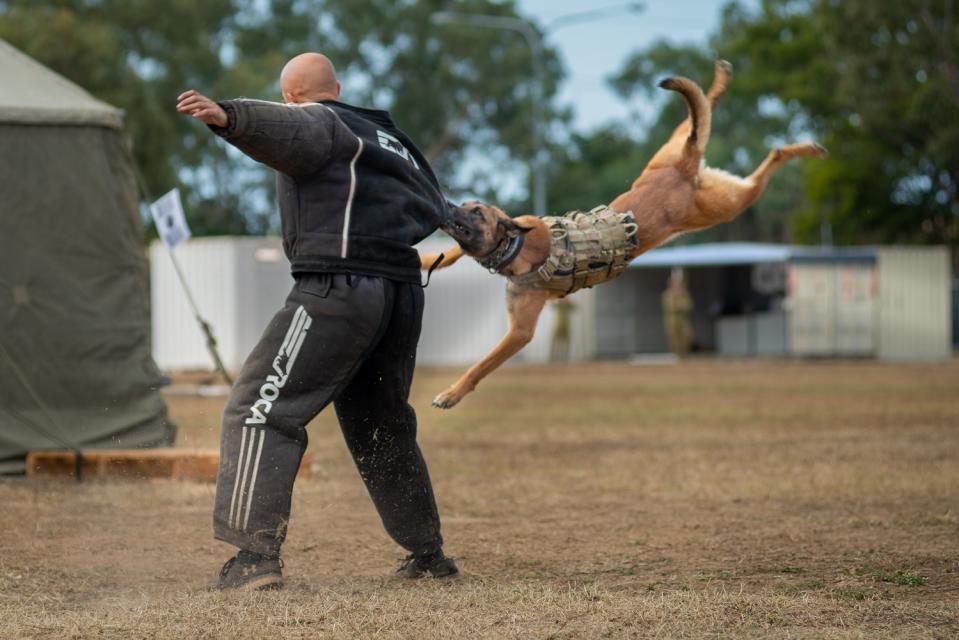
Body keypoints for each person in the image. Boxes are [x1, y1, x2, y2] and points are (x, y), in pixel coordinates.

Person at [176, 53, 457, 590]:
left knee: (259, 407)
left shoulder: (321, 122)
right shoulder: (389, 137)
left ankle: (253, 559)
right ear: (340, 86)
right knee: (382, 424)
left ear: (290, 96)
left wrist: (228, 117)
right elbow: (433, 209)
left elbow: (295, 130)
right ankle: (427, 554)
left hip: (338, 289)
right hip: (400, 293)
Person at [661, 267, 694, 358]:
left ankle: (685, 355)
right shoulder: (667, 295)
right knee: (674, 340)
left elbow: (689, 305)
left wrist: (681, 300)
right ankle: (676, 356)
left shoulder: (683, 294)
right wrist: (678, 303)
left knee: (687, 337)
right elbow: (671, 307)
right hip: (672, 321)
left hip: (683, 320)